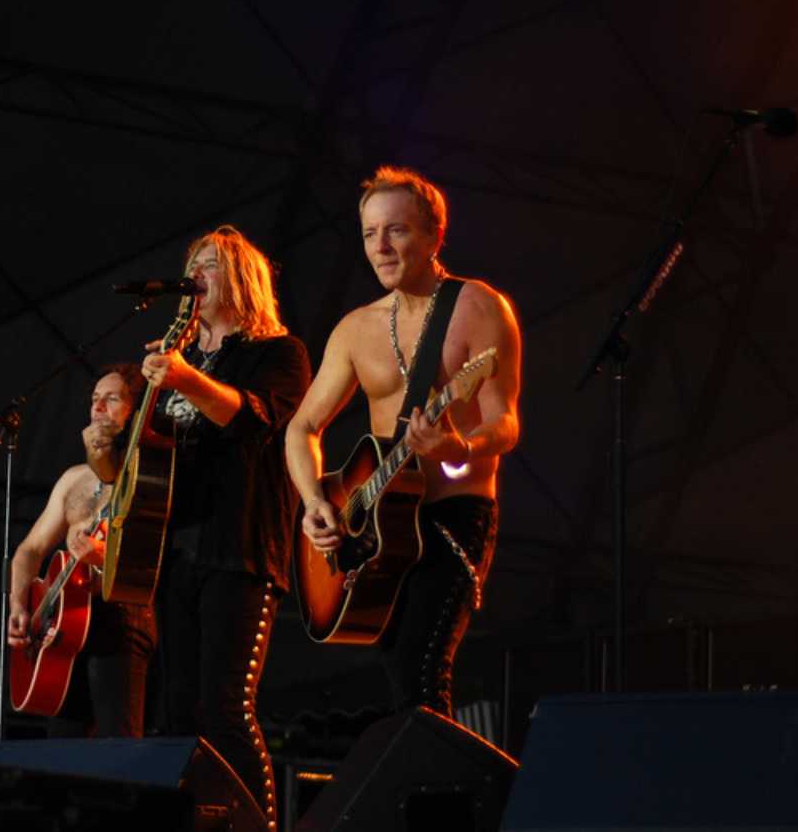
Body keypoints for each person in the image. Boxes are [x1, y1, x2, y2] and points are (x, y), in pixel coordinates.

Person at [90, 226, 309, 828]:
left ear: (242, 278)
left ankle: (258, 825)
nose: (196, 277)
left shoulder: (278, 353)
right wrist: (105, 454)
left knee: (226, 710)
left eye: (209, 266)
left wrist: (184, 378)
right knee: (176, 716)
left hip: (239, 548)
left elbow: (255, 423)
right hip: (175, 552)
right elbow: (147, 462)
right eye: (192, 266)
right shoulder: (177, 357)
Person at [285, 166, 522, 715]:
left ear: (435, 235)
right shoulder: (355, 328)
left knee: (421, 666)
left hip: (453, 514)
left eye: (397, 231)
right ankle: (428, 793)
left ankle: (449, 796)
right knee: (398, 676)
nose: (381, 247)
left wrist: (459, 449)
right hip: (378, 532)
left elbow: (505, 422)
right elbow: (300, 428)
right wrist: (316, 502)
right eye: (370, 233)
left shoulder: (478, 306)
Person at [7, 365, 156, 738]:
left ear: (136, 410)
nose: (98, 407)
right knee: (61, 744)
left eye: (112, 398)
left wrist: (100, 559)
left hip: (119, 615)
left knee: (115, 741)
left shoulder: (148, 475)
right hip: (62, 622)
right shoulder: (74, 478)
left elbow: (152, 559)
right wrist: (19, 606)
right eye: (94, 399)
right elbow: (30, 549)